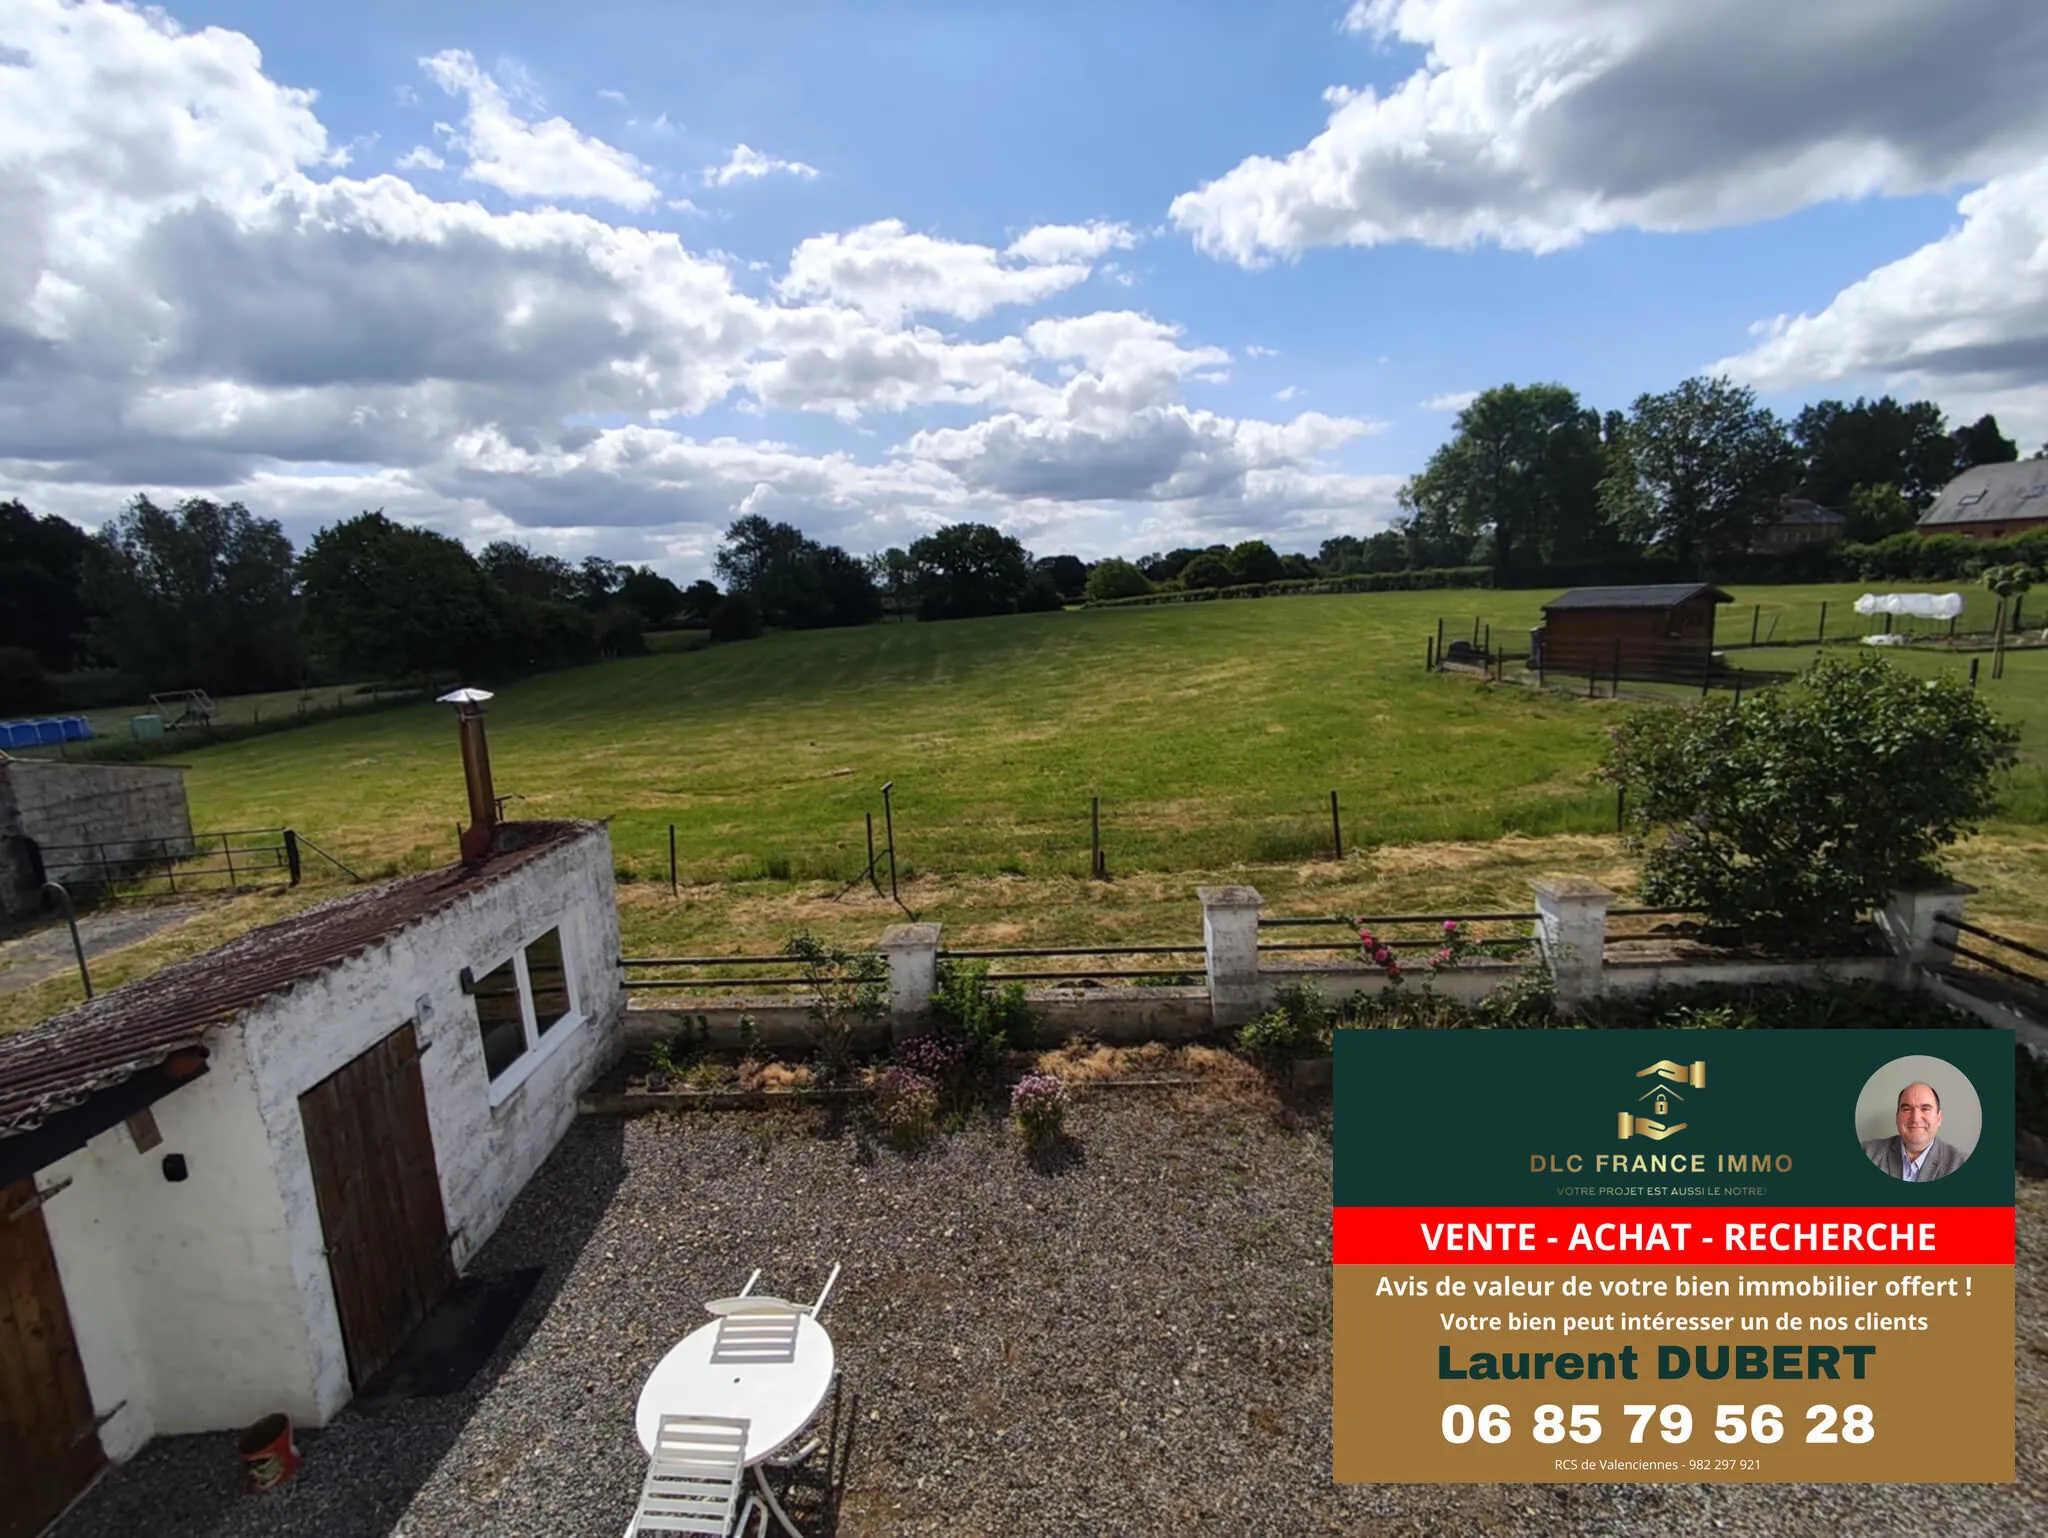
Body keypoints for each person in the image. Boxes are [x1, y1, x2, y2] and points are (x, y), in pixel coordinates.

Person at [1861, 1081, 1968, 1182]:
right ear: (1897, 1117)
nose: (1915, 1118)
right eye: (1907, 1109)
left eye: (1925, 1109)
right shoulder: (1867, 1153)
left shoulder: (1960, 1163)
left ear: (1939, 1118)